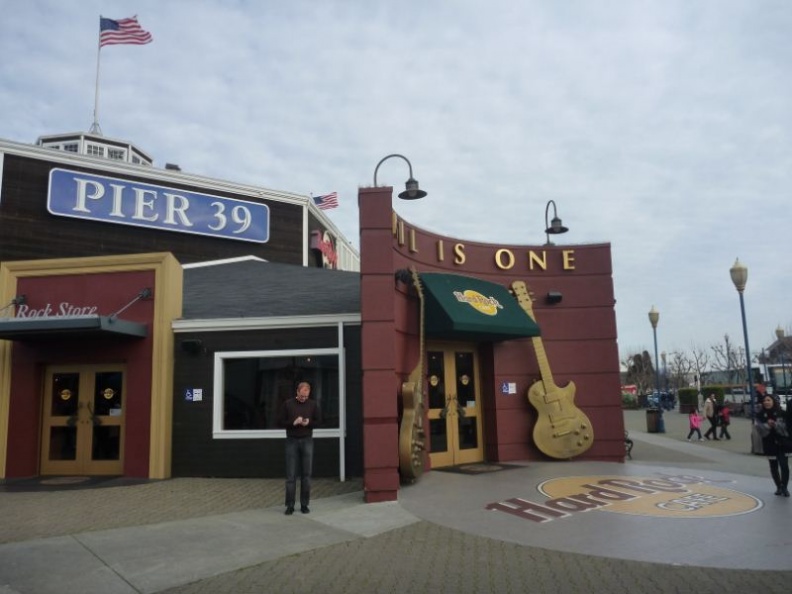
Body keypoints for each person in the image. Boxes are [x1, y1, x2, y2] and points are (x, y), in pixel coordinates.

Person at [278, 381, 322, 515]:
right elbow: (279, 422)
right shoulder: (288, 404)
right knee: (291, 475)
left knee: (306, 475)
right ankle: (290, 505)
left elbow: (319, 422)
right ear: (297, 392)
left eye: (306, 396)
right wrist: (293, 422)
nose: (304, 398)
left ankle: (304, 504)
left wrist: (309, 423)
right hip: (291, 440)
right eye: (302, 395)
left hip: (307, 440)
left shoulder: (313, 404)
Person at [755, 394, 791, 497]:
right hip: (769, 443)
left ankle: (784, 487)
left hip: (782, 443)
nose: (766, 402)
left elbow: (786, 428)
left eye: (768, 400)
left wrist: (775, 425)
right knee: (773, 466)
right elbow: (759, 428)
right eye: (764, 400)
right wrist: (767, 425)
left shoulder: (782, 413)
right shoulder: (760, 414)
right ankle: (778, 486)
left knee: (784, 466)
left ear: (773, 401)